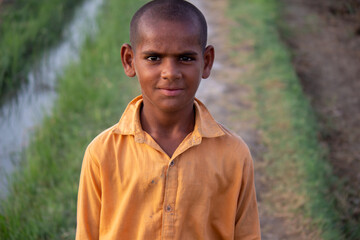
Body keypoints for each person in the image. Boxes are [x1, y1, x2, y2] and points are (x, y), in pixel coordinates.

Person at [75, 0, 261, 239]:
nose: (170, 72)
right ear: (129, 60)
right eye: (153, 58)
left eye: (185, 58)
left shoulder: (233, 154)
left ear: (207, 61)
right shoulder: (102, 154)